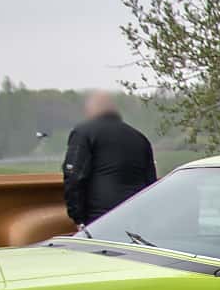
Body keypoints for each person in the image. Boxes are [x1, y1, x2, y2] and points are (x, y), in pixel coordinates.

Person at [63, 91, 156, 227]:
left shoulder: (83, 133)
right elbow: (150, 183)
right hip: (136, 217)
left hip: (101, 218)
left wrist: (78, 218)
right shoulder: (139, 138)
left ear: (91, 110)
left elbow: (74, 177)